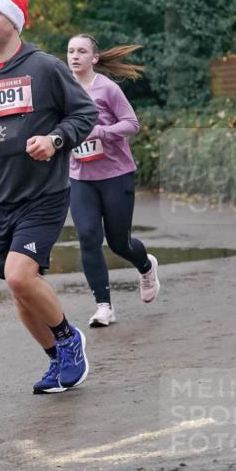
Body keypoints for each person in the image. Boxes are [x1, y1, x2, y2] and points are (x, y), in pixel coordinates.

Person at [0, 0, 98, 394]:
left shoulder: (45, 67)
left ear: (13, 20)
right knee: (20, 291)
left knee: (20, 277)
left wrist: (54, 140)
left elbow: (85, 114)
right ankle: (56, 362)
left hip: (44, 193)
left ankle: (70, 341)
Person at [67, 34, 160, 326]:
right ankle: (103, 306)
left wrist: (100, 132)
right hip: (79, 176)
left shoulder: (107, 88)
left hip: (115, 174)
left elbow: (132, 124)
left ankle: (146, 266)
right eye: (70, 51)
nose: (75, 56)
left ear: (94, 58)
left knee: (119, 243)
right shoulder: (61, 90)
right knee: (88, 238)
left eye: (82, 51)